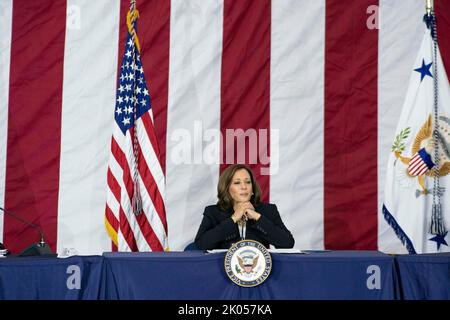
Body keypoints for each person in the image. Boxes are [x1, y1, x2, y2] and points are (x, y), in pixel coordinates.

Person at [194, 164, 295, 250]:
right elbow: (201, 245)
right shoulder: (213, 212)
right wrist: (233, 219)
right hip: (222, 269)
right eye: (237, 183)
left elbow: (287, 243)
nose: (244, 187)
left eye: (248, 182)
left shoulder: (268, 210)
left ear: (252, 187)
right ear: (227, 188)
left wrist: (258, 217)